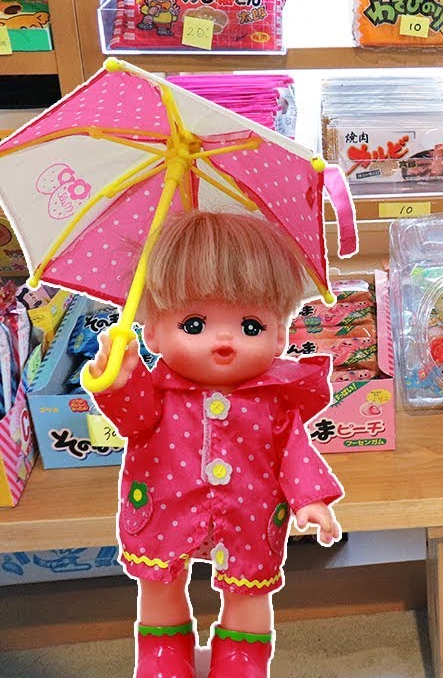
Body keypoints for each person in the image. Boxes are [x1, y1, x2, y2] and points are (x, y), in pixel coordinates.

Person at [88, 211, 344, 678]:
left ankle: (242, 657)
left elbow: (294, 451)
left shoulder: (272, 401)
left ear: (282, 334)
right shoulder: (157, 391)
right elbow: (134, 421)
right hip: (166, 503)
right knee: (159, 580)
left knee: (250, 586)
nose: (224, 340)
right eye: (194, 324)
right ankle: (163, 652)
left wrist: (311, 500)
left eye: (251, 326)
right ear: (151, 330)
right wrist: (117, 381)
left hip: (250, 508)